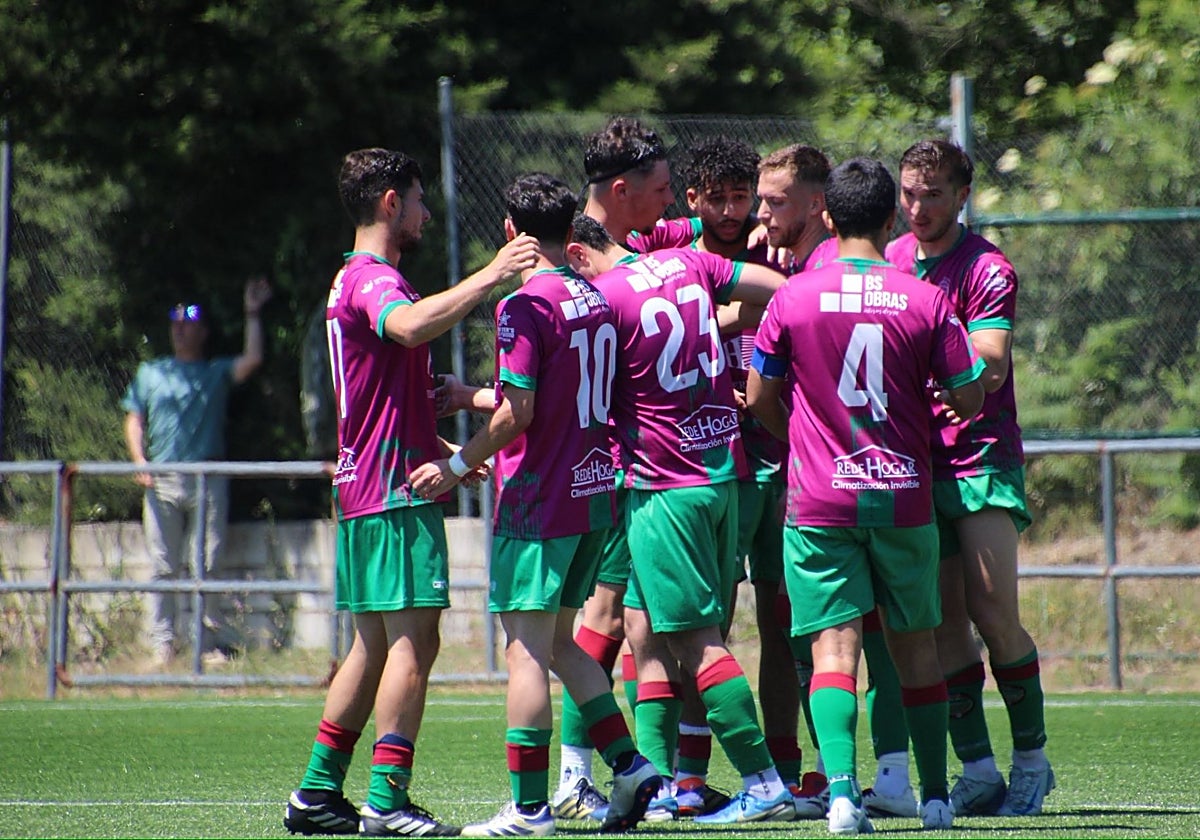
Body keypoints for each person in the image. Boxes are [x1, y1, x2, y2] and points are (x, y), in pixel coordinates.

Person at [282, 147, 539, 838]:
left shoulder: (356, 279)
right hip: (391, 495)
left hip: (374, 482)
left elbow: (387, 399)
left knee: (371, 645)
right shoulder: (371, 279)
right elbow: (410, 325)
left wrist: (448, 451)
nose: (427, 213)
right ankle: (388, 801)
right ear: (391, 203)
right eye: (420, 200)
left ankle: (315, 794)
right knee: (413, 644)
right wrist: (493, 274)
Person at [409, 173, 660, 837]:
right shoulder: (593, 297)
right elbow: (542, 396)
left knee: (524, 652)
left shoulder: (523, 305)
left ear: (510, 232)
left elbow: (520, 412)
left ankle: (528, 810)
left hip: (539, 499)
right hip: (590, 492)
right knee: (558, 645)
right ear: (571, 227)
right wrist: (467, 395)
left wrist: (456, 462)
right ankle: (630, 766)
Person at [746, 156, 986, 835]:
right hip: (904, 497)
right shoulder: (924, 298)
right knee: (916, 648)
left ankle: (845, 796)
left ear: (826, 216)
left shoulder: (793, 297)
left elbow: (762, 394)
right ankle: (935, 799)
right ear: (890, 219)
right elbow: (969, 394)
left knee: (832, 652)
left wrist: (801, 435)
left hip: (820, 499)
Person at [566, 214, 796, 827]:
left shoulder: (602, 297)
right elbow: (777, 288)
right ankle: (666, 783)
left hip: (662, 486)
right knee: (649, 627)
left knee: (696, 643)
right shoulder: (688, 261)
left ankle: (763, 781)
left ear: (579, 255)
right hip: (725, 475)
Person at [886, 138, 1053, 817]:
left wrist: (926, 362)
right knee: (942, 625)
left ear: (962, 196)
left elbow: (989, 364)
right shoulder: (890, 261)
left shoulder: (986, 268)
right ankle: (979, 768)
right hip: (914, 460)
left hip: (979, 455)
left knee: (992, 612)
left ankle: (1034, 763)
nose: (917, 207)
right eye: (908, 194)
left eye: (932, 194)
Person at [551, 116, 674, 823]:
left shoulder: (632, 250)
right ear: (621, 191)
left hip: (626, 464)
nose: (673, 201)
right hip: (616, 468)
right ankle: (579, 775)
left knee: (626, 623)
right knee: (599, 620)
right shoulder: (589, 266)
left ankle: (633, 778)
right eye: (660, 189)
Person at [122, 277, 272, 664]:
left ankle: (206, 644)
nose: (179, 328)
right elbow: (134, 418)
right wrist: (139, 461)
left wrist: (252, 311)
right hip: (161, 480)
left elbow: (252, 359)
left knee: (208, 563)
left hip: (208, 479)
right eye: (174, 322)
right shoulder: (151, 372)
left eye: (188, 322)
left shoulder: (215, 372)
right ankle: (163, 644)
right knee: (163, 565)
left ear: (203, 331)